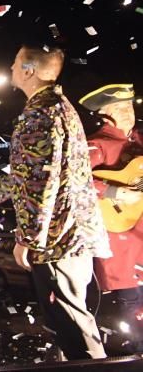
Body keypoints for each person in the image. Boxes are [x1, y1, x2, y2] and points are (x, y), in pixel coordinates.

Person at [0, 45, 110, 360]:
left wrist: (27, 239)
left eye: (14, 62)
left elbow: (43, 184)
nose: (10, 68)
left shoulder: (39, 112)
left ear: (28, 70)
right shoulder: (57, 106)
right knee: (69, 321)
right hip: (68, 233)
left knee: (72, 325)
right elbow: (35, 173)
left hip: (57, 239)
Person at [79, 83, 143, 351]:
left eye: (129, 106)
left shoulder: (139, 141)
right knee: (131, 307)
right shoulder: (97, 144)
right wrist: (113, 190)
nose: (127, 113)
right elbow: (74, 180)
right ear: (105, 114)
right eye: (119, 108)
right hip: (122, 241)